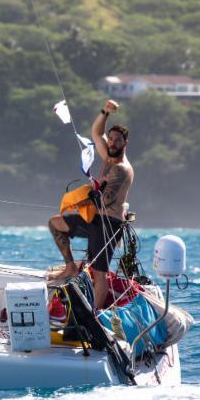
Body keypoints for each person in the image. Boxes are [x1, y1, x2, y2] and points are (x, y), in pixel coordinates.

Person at [48, 99, 134, 309]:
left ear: (125, 143)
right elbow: (96, 133)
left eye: (117, 140)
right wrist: (105, 112)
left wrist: (88, 195)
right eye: (111, 138)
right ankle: (70, 267)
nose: (112, 142)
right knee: (56, 223)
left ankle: (95, 313)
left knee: (99, 272)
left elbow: (105, 200)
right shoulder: (108, 157)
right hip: (95, 218)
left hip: (108, 225)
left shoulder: (121, 169)